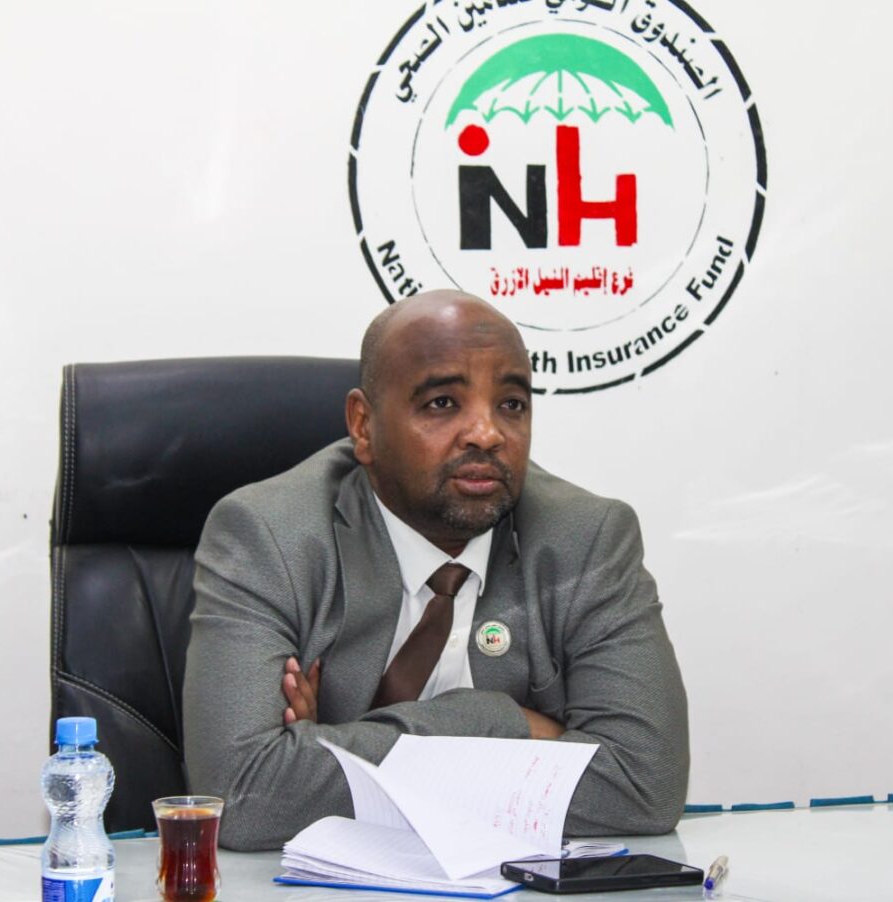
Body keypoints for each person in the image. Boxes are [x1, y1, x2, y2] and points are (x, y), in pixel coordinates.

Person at [182, 290, 689, 851]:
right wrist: (511, 725)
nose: (487, 433)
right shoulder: (268, 535)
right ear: (364, 426)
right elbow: (240, 797)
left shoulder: (587, 539)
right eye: (443, 403)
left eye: (511, 404)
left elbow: (645, 784)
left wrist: (331, 746)